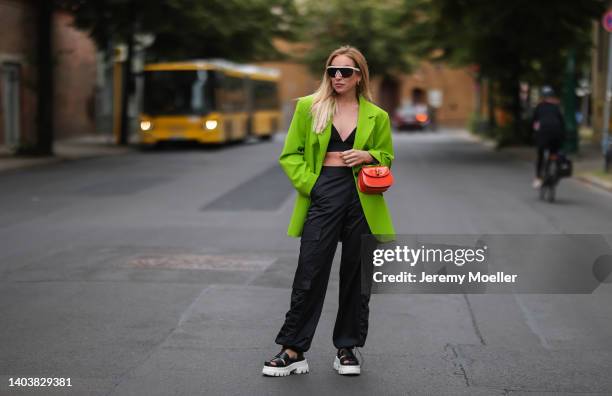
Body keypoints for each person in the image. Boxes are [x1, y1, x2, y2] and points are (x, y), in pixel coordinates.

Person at [262, 45, 395, 377]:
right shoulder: (310, 107)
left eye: (345, 72)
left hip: (362, 197)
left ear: (359, 76)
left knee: (356, 276)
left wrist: (368, 156)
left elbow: (387, 156)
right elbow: (290, 155)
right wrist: (313, 185)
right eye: (332, 71)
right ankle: (293, 350)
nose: (337, 76)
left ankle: (346, 349)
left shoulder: (377, 115)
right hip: (323, 192)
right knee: (310, 270)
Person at [531, 86, 566, 188]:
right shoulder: (556, 107)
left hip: (543, 134)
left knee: (541, 155)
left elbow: (534, 123)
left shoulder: (539, 107)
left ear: (542, 97)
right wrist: (563, 137)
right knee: (554, 152)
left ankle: (538, 178)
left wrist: (533, 134)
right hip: (557, 134)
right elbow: (562, 123)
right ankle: (554, 166)